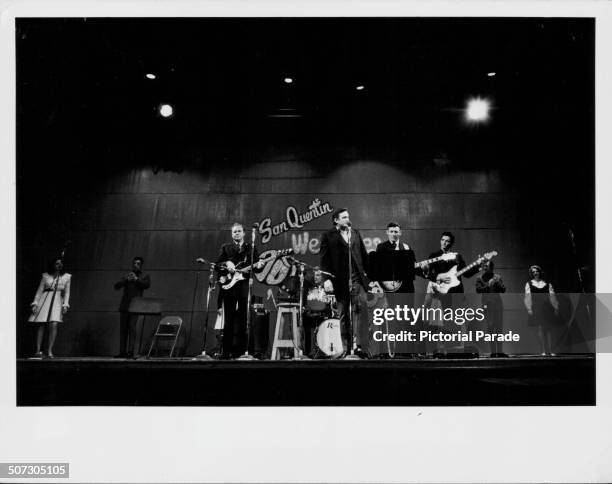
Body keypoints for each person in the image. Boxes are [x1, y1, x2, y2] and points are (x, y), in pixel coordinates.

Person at [319, 208, 370, 358]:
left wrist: (371, 279)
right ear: (336, 220)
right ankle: (344, 349)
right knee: (343, 316)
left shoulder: (354, 233)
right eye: (344, 217)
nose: (347, 219)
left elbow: (364, 256)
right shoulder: (328, 236)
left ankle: (359, 347)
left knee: (361, 312)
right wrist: (326, 279)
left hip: (357, 280)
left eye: (348, 216)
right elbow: (324, 259)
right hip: (340, 281)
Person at [215, 223, 264, 359]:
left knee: (244, 320)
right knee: (228, 320)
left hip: (244, 286)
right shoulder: (226, 248)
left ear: (244, 233)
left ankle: (242, 352)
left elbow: (257, 266)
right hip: (230, 287)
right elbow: (217, 266)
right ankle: (226, 352)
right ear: (232, 234)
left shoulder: (251, 248)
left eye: (239, 231)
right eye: (234, 232)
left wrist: (260, 265)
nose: (236, 233)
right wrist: (226, 264)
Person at [29, 258, 71, 358]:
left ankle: (49, 351)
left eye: (61, 264)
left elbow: (67, 292)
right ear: (53, 264)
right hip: (45, 299)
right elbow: (39, 291)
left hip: (57, 300)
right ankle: (38, 350)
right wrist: (35, 303)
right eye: (57, 263)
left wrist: (65, 304)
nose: (59, 265)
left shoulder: (66, 277)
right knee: (41, 324)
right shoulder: (46, 276)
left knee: (54, 324)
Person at [114, 256, 151, 358]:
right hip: (125, 306)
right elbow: (116, 286)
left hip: (135, 306)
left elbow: (146, 285)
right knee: (123, 330)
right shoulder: (128, 275)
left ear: (141, 265)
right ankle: (122, 352)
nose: (135, 265)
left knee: (132, 328)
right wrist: (125, 279)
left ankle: (130, 352)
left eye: (138, 264)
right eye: (134, 263)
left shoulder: (144, 276)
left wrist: (136, 279)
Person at [524, 265, 559, 356]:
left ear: (540, 272)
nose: (535, 273)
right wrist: (529, 308)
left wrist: (555, 307)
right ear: (531, 274)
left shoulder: (547, 284)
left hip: (547, 308)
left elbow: (552, 296)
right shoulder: (529, 284)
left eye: (536, 271)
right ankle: (544, 350)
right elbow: (528, 297)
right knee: (541, 329)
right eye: (533, 272)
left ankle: (551, 350)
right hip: (537, 308)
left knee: (549, 329)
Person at [475, 260, 506, 357]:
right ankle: (493, 352)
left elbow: (504, 289)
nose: (484, 268)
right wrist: (488, 285)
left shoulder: (497, 277)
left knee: (499, 328)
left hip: (498, 305)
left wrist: (497, 283)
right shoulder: (479, 278)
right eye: (484, 266)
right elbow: (478, 290)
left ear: (492, 268)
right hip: (487, 306)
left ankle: (500, 352)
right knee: (490, 328)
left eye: (487, 266)